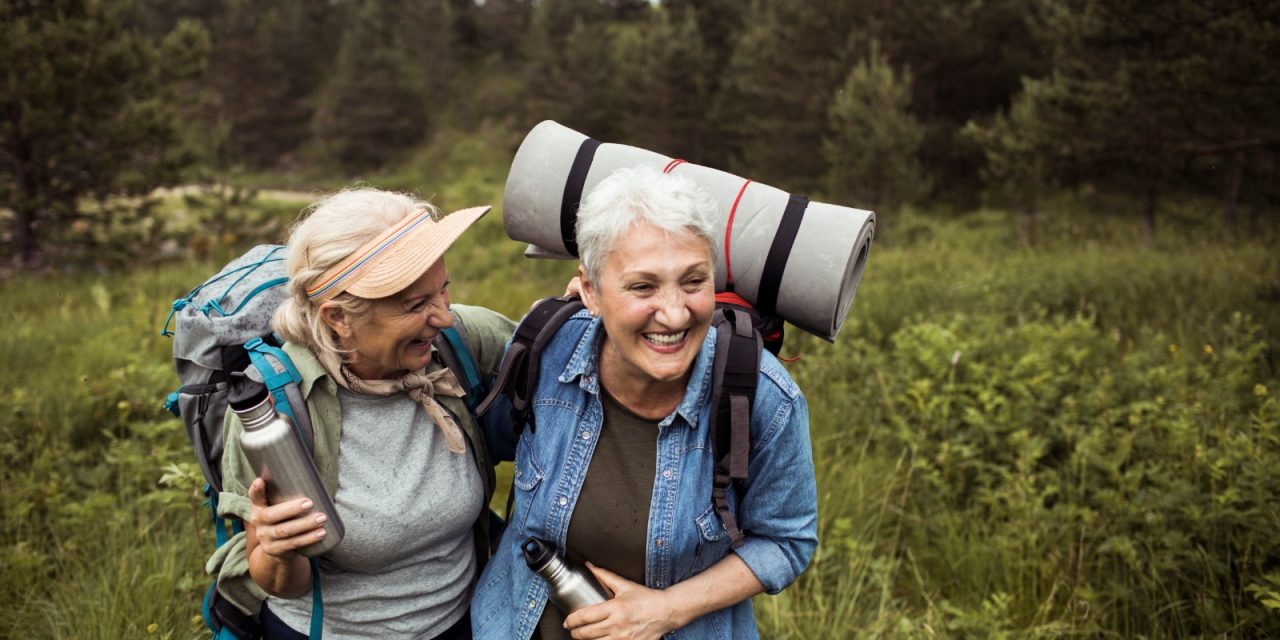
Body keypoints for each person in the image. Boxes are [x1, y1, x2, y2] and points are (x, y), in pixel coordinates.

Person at [471, 166, 818, 640]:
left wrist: (668, 609)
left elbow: (787, 540)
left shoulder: (762, 397)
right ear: (590, 290)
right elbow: (480, 455)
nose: (674, 314)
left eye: (693, 282)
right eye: (643, 287)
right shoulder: (546, 352)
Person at [211, 188, 517, 639]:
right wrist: (278, 551)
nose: (443, 317)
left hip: (468, 623)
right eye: (416, 305)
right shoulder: (273, 408)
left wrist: (587, 308)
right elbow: (280, 584)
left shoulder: (460, 345)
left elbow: (571, 360)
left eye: (444, 289)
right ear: (338, 317)